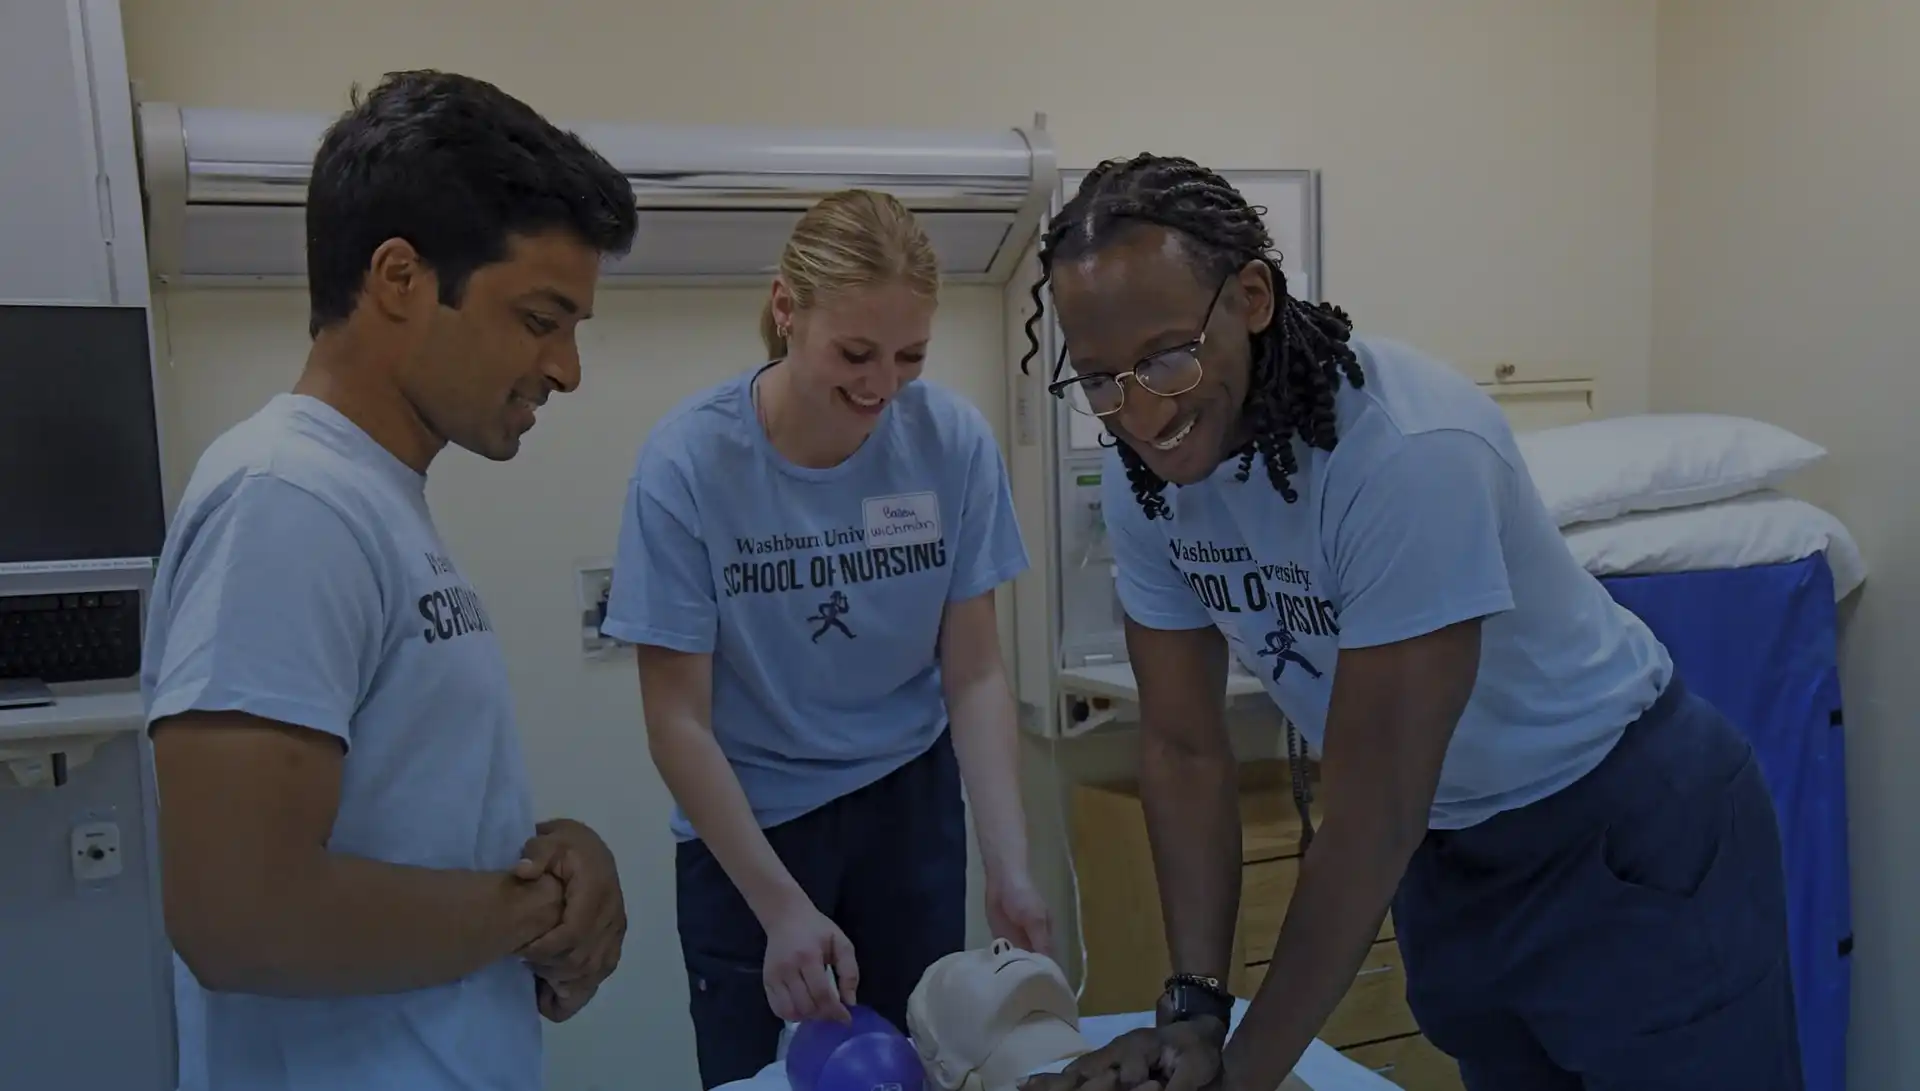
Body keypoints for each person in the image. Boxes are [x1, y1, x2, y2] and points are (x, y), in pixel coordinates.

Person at [1016, 155, 1802, 1091]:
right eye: (1102, 382)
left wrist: (1243, 1075)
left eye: (1167, 357)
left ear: (1253, 298)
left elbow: (1372, 809)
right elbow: (1185, 749)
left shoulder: (1405, 453)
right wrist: (1194, 1010)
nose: (1141, 410)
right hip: (1452, 849)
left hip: (1621, 827)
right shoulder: (1149, 486)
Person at [141, 70, 639, 1091]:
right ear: (402, 279)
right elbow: (240, 917)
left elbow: (405, 820)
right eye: (541, 317)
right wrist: (530, 913)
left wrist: (557, 853)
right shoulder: (286, 500)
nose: (568, 368)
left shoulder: (373, 504)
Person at [602, 188, 1050, 1088]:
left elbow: (973, 674)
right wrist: (779, 908)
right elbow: (677, 723)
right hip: (753, 821)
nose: (882, 384)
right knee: (766, 1072)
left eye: (910, 356)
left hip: (907, 802)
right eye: (855, 352)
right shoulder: (690, 465)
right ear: (785, 310)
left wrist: (1009, 867)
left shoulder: (949, 442)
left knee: (919, 1063)